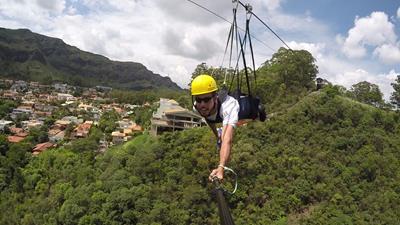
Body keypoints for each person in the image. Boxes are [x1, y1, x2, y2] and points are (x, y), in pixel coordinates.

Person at [191, 74, 240, 181]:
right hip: (218, 117)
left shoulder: (228, 105)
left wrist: (221, 168)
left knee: (252, 110)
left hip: (238, 111)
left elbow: (227, 139)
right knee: (220, 137)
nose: (202, 104)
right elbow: (209, 119)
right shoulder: (197, 107)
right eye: (199, 100)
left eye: (207, 99)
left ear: (215, 97)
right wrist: (216, 135)